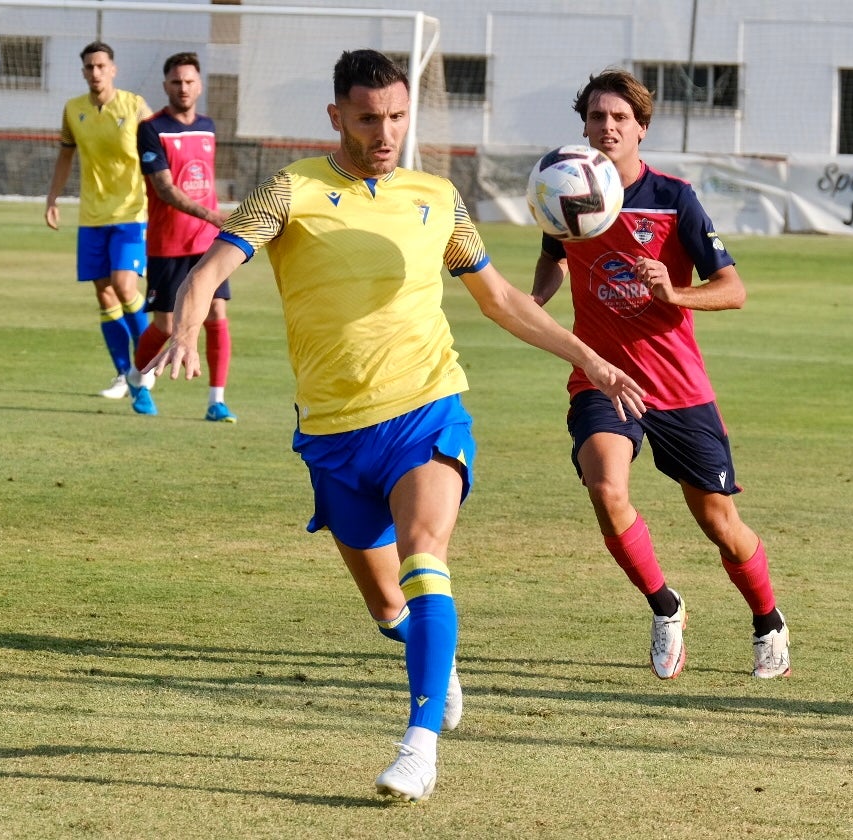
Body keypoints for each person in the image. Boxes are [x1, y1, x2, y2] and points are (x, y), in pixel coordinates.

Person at [144, 49, 646, 804]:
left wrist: (591, 359)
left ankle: (419, 746)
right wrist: (186, 321)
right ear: (337, 116)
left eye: (398, 117)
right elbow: (210, 268)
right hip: (334, 433)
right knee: (387, 608)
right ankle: (433, 663)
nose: (386, 133)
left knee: (425, 552)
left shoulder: (437, 198)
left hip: (426, 410)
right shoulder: (292, 190)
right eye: (370, 118)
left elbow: (502, 299)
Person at [529, 68, 791, 684]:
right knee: (606, 487)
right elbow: (552, 261)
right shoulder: (567, 189)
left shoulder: (674, 198)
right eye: (597, 117)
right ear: (585, 126)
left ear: (642, 128)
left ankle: (768, 619)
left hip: (678, 387)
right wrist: (533, 302)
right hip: (600, 377)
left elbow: (734, 289)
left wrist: (674, 291)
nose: (608, 127)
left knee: (719, 524)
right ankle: (665, 606)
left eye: (620, 118)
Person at [44, 41, 156, 414]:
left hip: (131, 213)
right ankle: (124, 374)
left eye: (101, 66)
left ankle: (149, 361)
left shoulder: (135, 105)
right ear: (83, 72)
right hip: (92, 218)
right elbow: (65, 154)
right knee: (104, 295)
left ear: (113, 69)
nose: (95, 72)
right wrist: (52, 199)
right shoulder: (73, 110)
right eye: (89, 67)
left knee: (125, 286)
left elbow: (157, 154)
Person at [134, 52, 235, 422]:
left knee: (217, 313)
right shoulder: (151, 128)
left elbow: (203, 180)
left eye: (190, 81)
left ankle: (216, 400)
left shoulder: (207, 125)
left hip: (208, 241)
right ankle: (140, 382)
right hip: (168, 242)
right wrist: (210, 214)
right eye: (176, 81)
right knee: (165, 325)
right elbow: (164, 189)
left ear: (200, 85)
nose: (183, 87)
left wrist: (213, 221)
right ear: (166, 86)